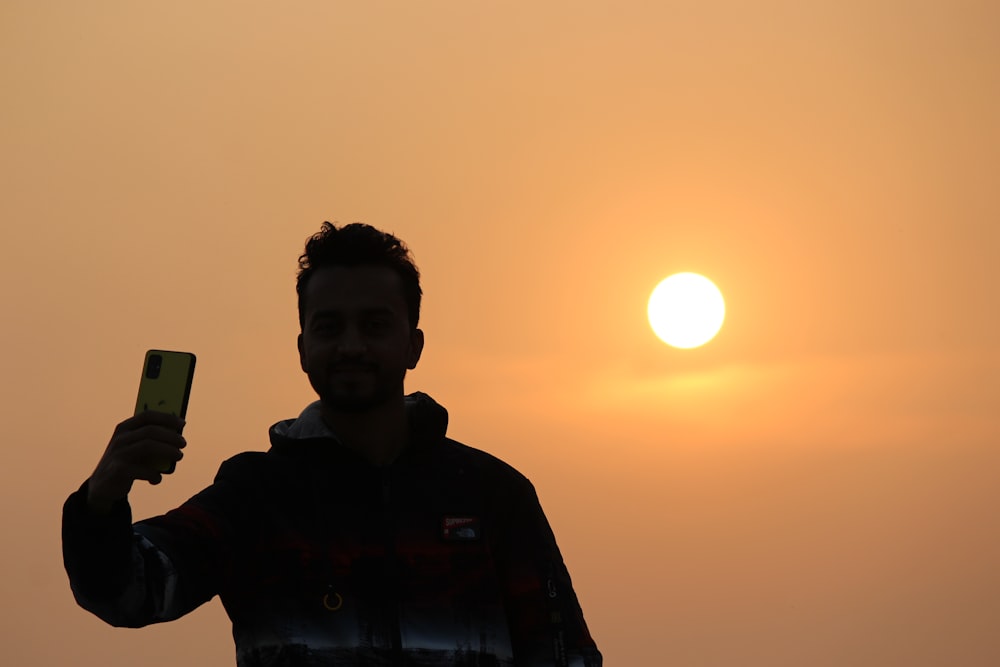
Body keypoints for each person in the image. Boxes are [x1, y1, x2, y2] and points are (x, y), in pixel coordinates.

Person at [62, 222, 602, 667]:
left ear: (413, 345)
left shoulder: (493, 494)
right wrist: (102, 498)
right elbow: (130, 592)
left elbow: (564, 655)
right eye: (329, 327)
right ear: (302, 348)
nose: (351, 346)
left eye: (373, 325)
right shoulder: (256, 496)